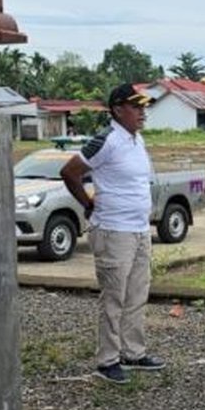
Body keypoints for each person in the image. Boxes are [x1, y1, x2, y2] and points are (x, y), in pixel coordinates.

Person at [60, 83, 165, 385]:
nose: (142, 112)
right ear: (118, 110)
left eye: (144, 107)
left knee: (136, 294)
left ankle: (133, 353)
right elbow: (69, 172)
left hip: (139, 230)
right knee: (114, 298)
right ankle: (107, 360)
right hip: (113, 231)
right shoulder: (106, 140)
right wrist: (87, 203)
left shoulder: (136, 139)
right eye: (136, 107)